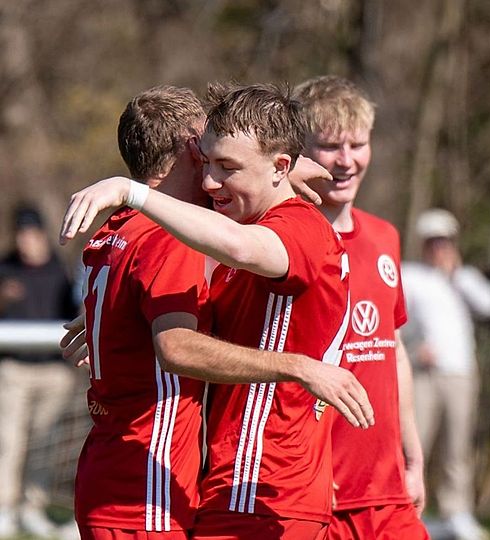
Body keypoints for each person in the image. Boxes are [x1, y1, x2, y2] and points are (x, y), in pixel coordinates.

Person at [60, 84, 373, 540]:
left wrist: (132, 192)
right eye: (206, 162)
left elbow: (237, 249)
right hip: (208, 488)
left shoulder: (292, 230)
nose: (210, 181)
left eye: (226, 167)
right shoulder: (194, 231)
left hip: (265, 489)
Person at [291, 75, 430, 539]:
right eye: (330, 146)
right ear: (298, 153)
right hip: (317, 494)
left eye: (358, 144)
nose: (346, 161)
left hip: (386, 490)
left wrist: (412, 455)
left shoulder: (384, 236)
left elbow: (392, 348)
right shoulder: (281, 242)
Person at [401, 208, 490, 540]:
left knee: (457, 447)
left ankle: (455, 512)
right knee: (415, 444)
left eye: (444, 241)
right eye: (432, 241)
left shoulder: (464, 277)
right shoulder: (410, 275)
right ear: (422, 243)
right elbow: (394, 322)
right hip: (422, 374)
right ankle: (404, 508)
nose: (438, 247)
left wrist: (456, 274)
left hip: (460, 375)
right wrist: (415, 350)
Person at [0, 205, 77, 538]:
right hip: (14, 369)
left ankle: (33, 507)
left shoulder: (62, 272)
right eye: (21, 234)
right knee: (8, 441)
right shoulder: (5, 269)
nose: (26, 241)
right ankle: (5, 508)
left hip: (53, 373)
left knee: (44, 443)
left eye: (30, 233)